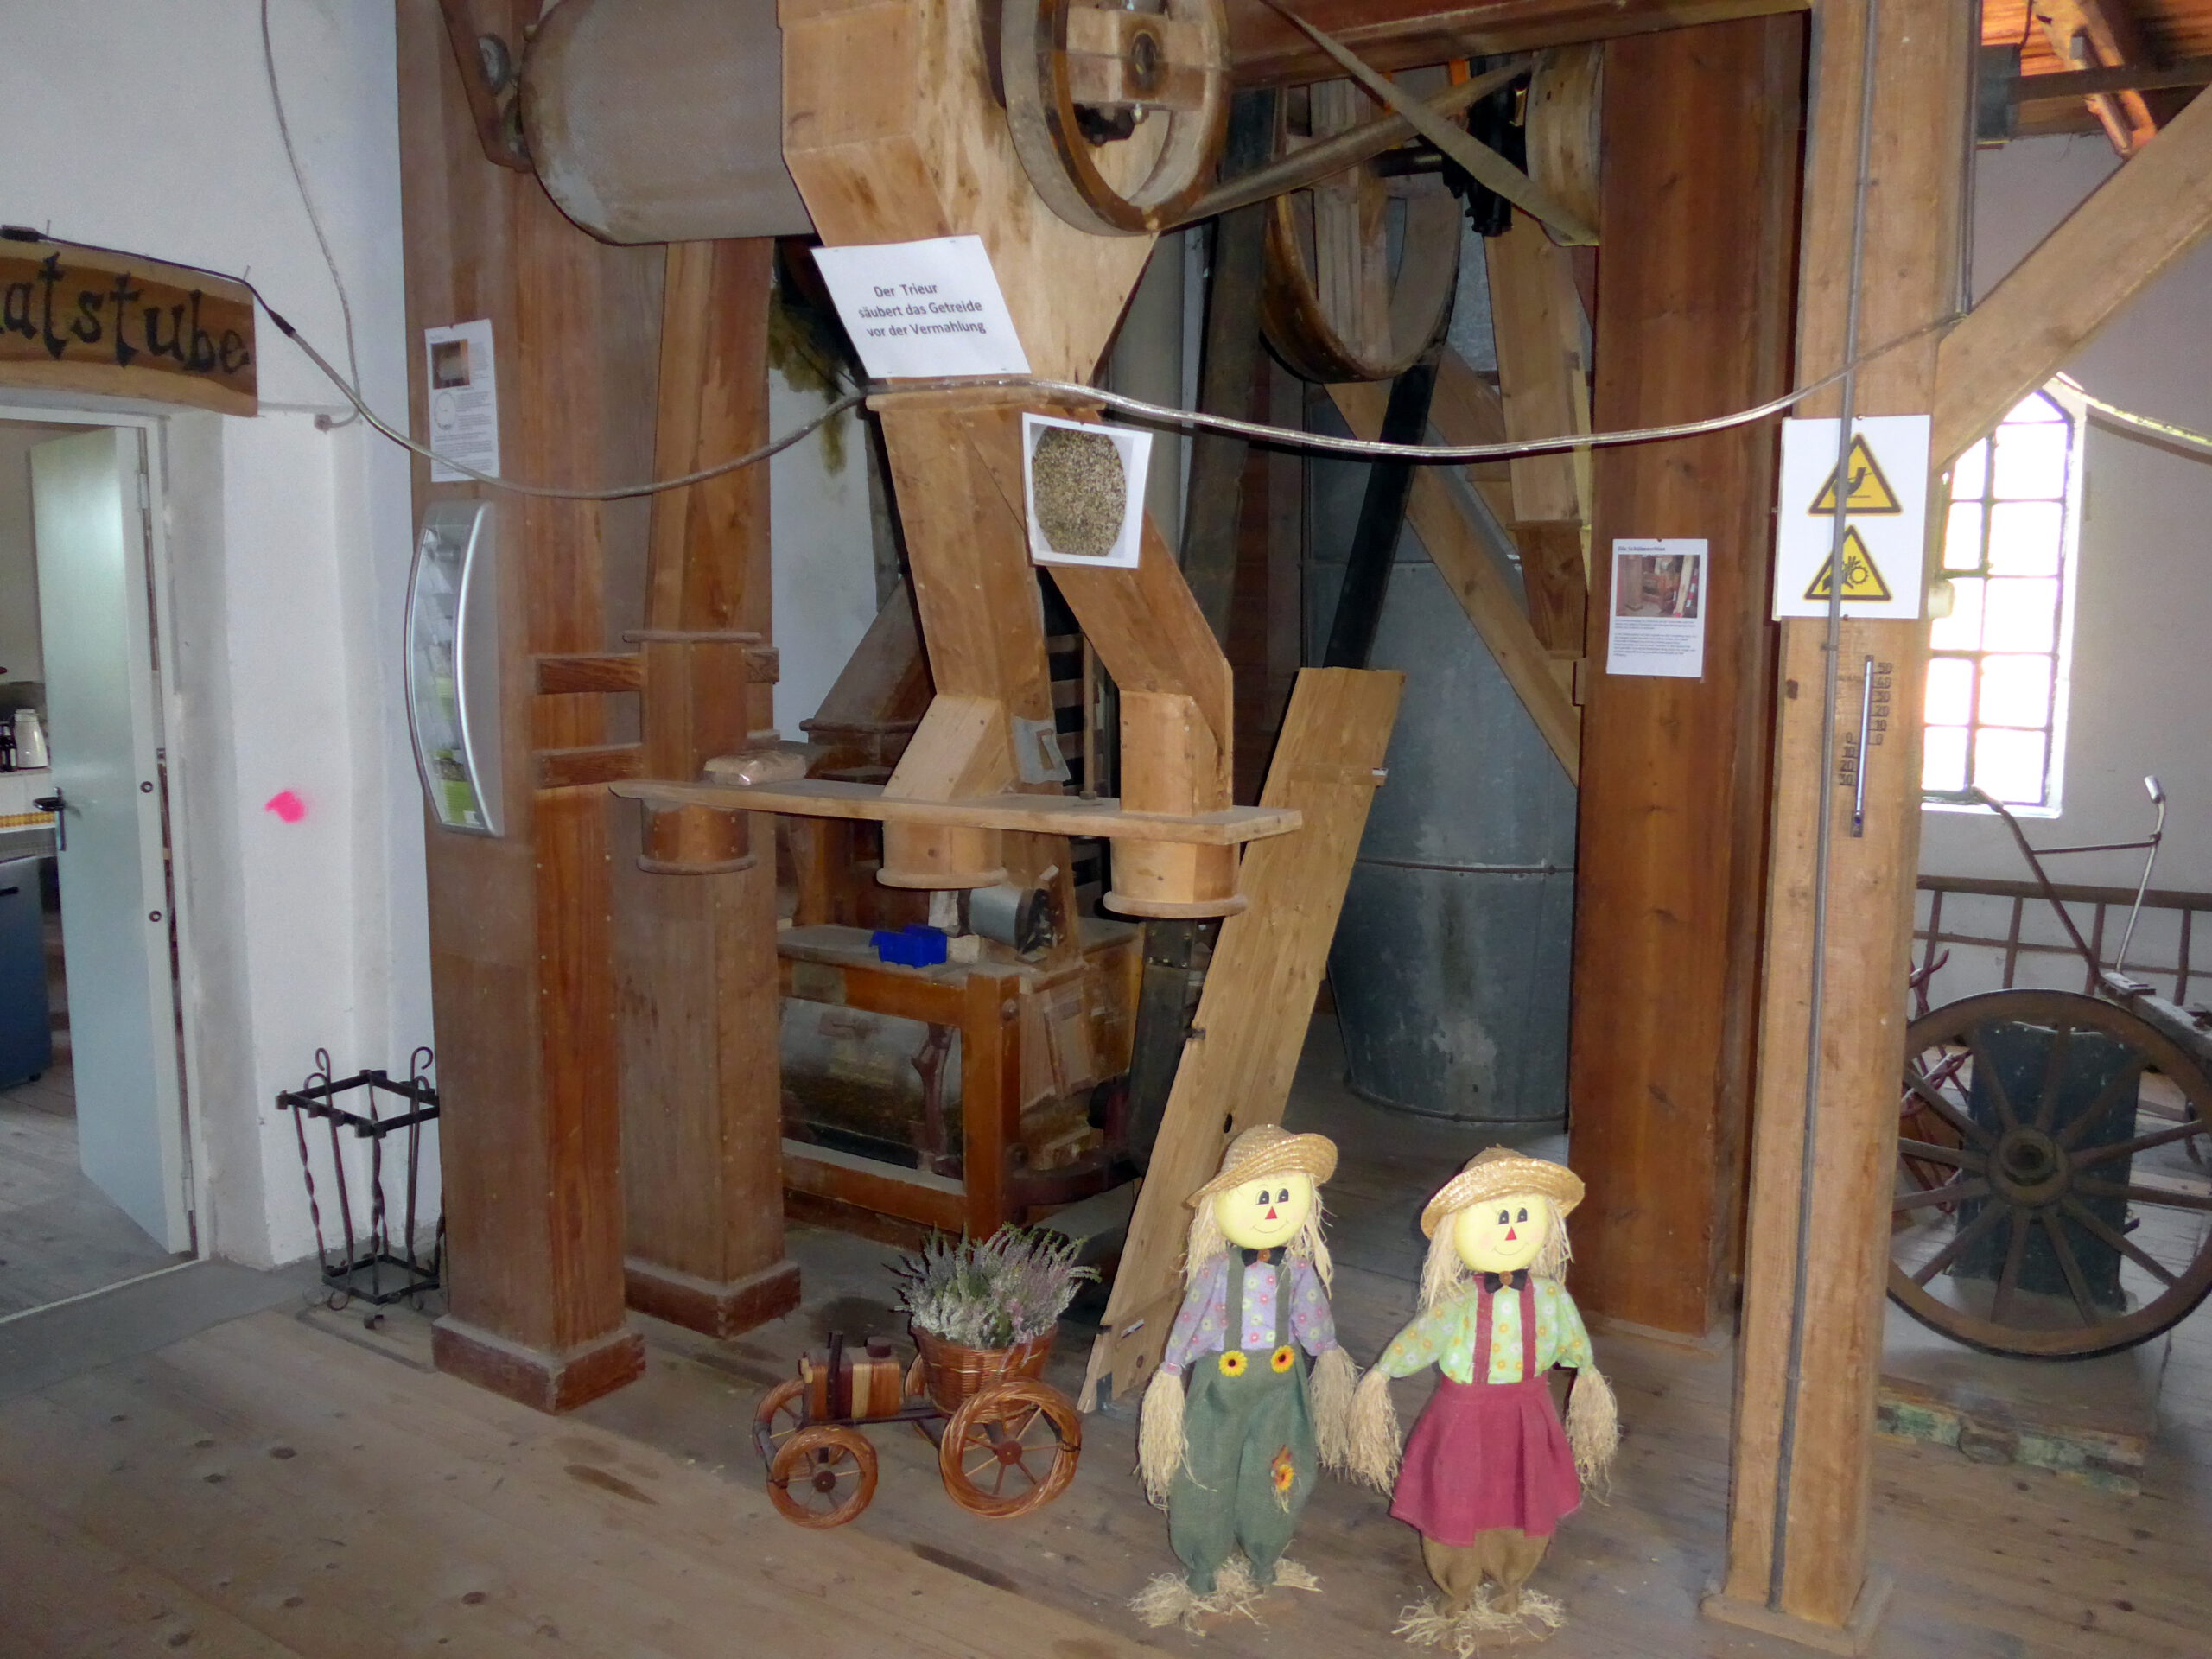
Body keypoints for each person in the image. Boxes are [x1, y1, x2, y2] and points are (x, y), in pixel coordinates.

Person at [1348, 1147, 1619, 1642]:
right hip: (1463, 1419)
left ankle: (1513, 1582)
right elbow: (1418, 1341)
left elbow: (1576, 1346)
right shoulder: (1456, 1303)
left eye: (1522, 1216)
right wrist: (1382, 1375)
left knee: (1523, 1494)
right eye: (1498, 1217)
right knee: (1456, 1497)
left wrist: (1587, 1375)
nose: (1511, 1229)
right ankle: (1457, 1589)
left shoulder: (1552, 1298)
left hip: (1527, 1413)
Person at [1133, 1125, 1358, 1626]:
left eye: (1284, 1195)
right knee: (1207, 1466)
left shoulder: (1297, 1270)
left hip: (1281, 1387)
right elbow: (1193, 1321)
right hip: (1221, 1387)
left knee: (1278, 1467)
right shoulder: (1215, 1272)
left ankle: (1265, 1555)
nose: (1274, 1208)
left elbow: (1313, 1320)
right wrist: (1172, 1368)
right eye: (1261, 1196)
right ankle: (1203, 1566)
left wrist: (1328, 1355)